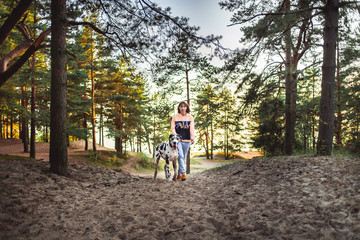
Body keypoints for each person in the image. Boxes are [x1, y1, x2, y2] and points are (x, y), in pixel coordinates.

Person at [171, 101, 195, 181]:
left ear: (187, 108)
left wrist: (192, 137)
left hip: (187, 140)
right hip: (178, 140)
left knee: (183, 157)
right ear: (179, 108)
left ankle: (179, 173)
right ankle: (183, 173)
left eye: (184, 106)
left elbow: (192, 128)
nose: (182, 108)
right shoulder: (175, 117)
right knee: (180, 156)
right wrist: (175, 136)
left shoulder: (190, 117)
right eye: (181, 106)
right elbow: (173, 128)